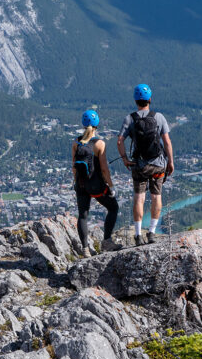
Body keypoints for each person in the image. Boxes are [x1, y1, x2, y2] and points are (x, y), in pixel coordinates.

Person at [117, 84, 174, 246]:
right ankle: (152, 232)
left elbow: (119, 141)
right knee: (156, 196)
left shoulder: (130, 119)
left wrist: (125, 159)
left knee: (139, 198)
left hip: (139, 165)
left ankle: (137, 234)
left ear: (136, 100)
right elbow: (167, 142)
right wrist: (170, 161)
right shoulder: (159, 117)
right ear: (149, 99)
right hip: (158, 165)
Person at [72, 109, 119, 257]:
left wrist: (77, 183)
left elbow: (74, 167)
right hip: (96, 185)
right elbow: (104, 169)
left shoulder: (76, 143)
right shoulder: (99, 144)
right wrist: (110, 187)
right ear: (97, 125)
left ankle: (85, 249)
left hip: (81, 184)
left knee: (83, 215)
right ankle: (107, 242)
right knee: (113, 208)